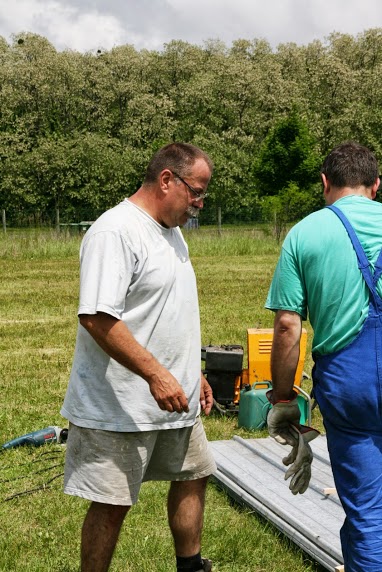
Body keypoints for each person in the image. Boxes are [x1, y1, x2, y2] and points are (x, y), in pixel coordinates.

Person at [60, 142, 217, 572]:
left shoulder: (171, 229)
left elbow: (169, 311)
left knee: (193, 476)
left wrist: (191, 374)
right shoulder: (116, 231)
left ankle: (190, 567)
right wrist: (156, 375)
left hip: (175, 399)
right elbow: (97, 317)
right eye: (196, 192)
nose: (199, 204)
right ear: (167, 180)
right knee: (112, 504)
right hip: (120, 404)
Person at [265, 141, 382, 572]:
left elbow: (286, 327)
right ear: (376, 184)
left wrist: (282, 399)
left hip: (348, 382)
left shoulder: (305, 234)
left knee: (368, 513)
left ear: (324, 183)